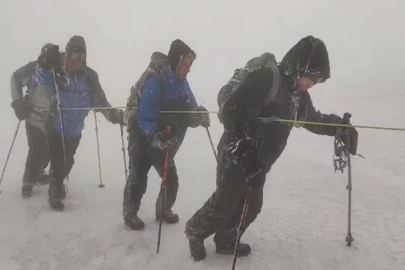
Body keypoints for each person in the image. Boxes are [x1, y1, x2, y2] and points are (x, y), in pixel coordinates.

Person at [184, 35, 359, 261]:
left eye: (315, 81)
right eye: (311, 77)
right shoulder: (266, 79)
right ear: (298, 67)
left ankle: (226, 239)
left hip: (260, 162)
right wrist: (246, 155)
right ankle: (195, 231)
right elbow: (230, 111)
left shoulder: (299, 96)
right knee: (225, 204)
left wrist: (339, 127)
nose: (311, 84)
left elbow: (312, 119)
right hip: (237, 155)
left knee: (252, 206)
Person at [12, 35, 123, 209]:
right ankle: (49, 190)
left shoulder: (89, 76)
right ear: (68, 53)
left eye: (81, 56)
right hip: (55, 125)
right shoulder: (56, 71)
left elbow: (100, 101)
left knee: (67, 161)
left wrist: (115, 116)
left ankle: (56, 183)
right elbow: (40, 76)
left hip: (75, 130)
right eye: (73, 55)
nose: (77, 60)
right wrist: (44, 61)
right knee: (51, 158)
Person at [122, 39, 210, 230]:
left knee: (171, 181)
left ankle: (163, 209)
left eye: (190, 65)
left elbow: (189, 112)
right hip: (142, 137)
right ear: (176, 61)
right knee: (138, 177)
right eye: (186, 64)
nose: (188, 69)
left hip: (164, 140)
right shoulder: (155, 79)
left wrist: (200, 117)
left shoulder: (182, 84)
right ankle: (130, 212)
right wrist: (155, 137)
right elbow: (145, 117)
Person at [10, 43, 59, 197]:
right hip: (32, 116)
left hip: (51, 119)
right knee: (37, 148)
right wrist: (18, 102)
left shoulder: (58, 70)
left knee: (49, 150)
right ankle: (28, 181)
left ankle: (37, 173)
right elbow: (15, 78)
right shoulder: (32, 68)